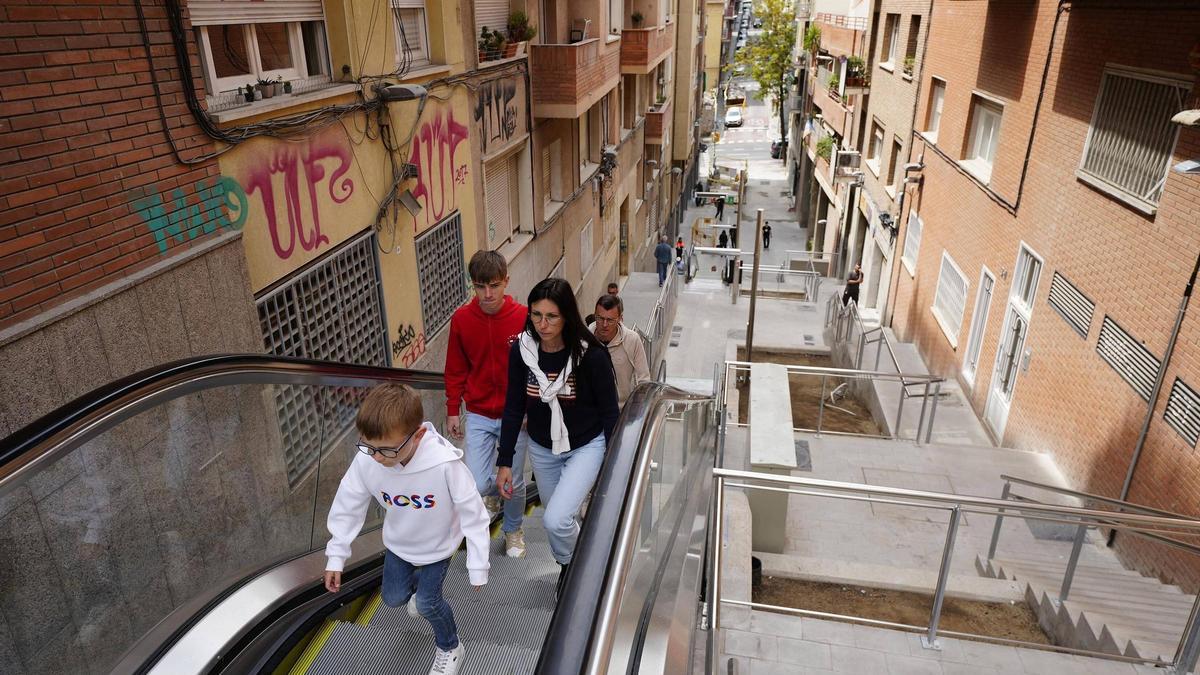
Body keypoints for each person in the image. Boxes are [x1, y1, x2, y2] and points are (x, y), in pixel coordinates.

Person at [324, 383, 490, 675]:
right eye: (368, 446)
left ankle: (451, 646)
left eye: (386, 450)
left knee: (428, 604)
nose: (376, 457)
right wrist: (336, 556)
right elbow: (348, 503)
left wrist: (478, 563)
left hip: (437, 547)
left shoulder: (445, 466)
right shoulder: (368, 460)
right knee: (392, 598)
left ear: (418, 435)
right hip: (399, 544)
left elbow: (473, 513)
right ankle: (417, 592)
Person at [495, 278, 619, 594]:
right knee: (557, 521)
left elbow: (609, 412)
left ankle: (582, 569)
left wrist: (613, 462)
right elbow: (513, 407)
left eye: (552, 316)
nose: (543, 324)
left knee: (556, 521)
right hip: (542, 448)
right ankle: (568, 566)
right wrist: (506, 461)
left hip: (586, 446)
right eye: (536, 315)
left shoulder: (590, 355)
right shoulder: (523, 351)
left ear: (567, 316)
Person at [444, 250, 530, 558]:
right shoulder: (463, 320)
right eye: (480, 286)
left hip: (515, 415)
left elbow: (535, 367)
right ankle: (494, 493)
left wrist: (529, 408)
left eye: (494, 285)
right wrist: (453, 409)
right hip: (479, 412)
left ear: (506, 281)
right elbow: (455, 368)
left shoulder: (523, 317)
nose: (488, 294)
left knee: (516, 482)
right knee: (478, 482)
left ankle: (513, 530)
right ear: (473, 285)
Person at [589, 294, 651, 406]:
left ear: (620, 319)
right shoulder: (583, 340)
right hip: (592, 412)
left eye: (610, 320)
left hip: (621, 411)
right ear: (595, 316)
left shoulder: (632, 340)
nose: (604, 324)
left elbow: (644, 380)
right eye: (600, 318)